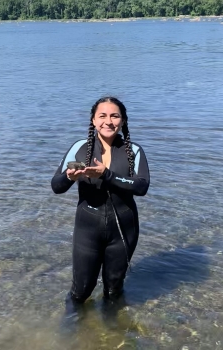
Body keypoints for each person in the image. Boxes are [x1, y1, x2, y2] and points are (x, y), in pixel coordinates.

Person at [51, 96, 150, 305]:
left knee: (114, 291)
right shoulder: (79, 147)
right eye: (102, 116)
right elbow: (56, 186)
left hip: (123, 230)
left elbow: (141, 186)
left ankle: (113, 334)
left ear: (123, 121)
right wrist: (70, 176)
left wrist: (107, 174)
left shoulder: (134, 151)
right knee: (80, 293)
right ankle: (71, 332)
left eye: (115, 116)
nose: (108, 121)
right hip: (87, 229)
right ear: (93, 120)